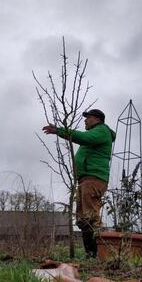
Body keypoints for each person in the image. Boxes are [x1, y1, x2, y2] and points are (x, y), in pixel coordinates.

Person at [43, 109, 116, 258]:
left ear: (97, 119)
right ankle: (90, 253)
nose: (85, 121)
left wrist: (59, 130)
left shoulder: (101, 131)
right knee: (83, 218)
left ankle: (101, 253)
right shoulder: (95, 133)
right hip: (85, 179)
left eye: (88, 118)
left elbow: (83, 138)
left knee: (91, 216)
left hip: (94, 178)